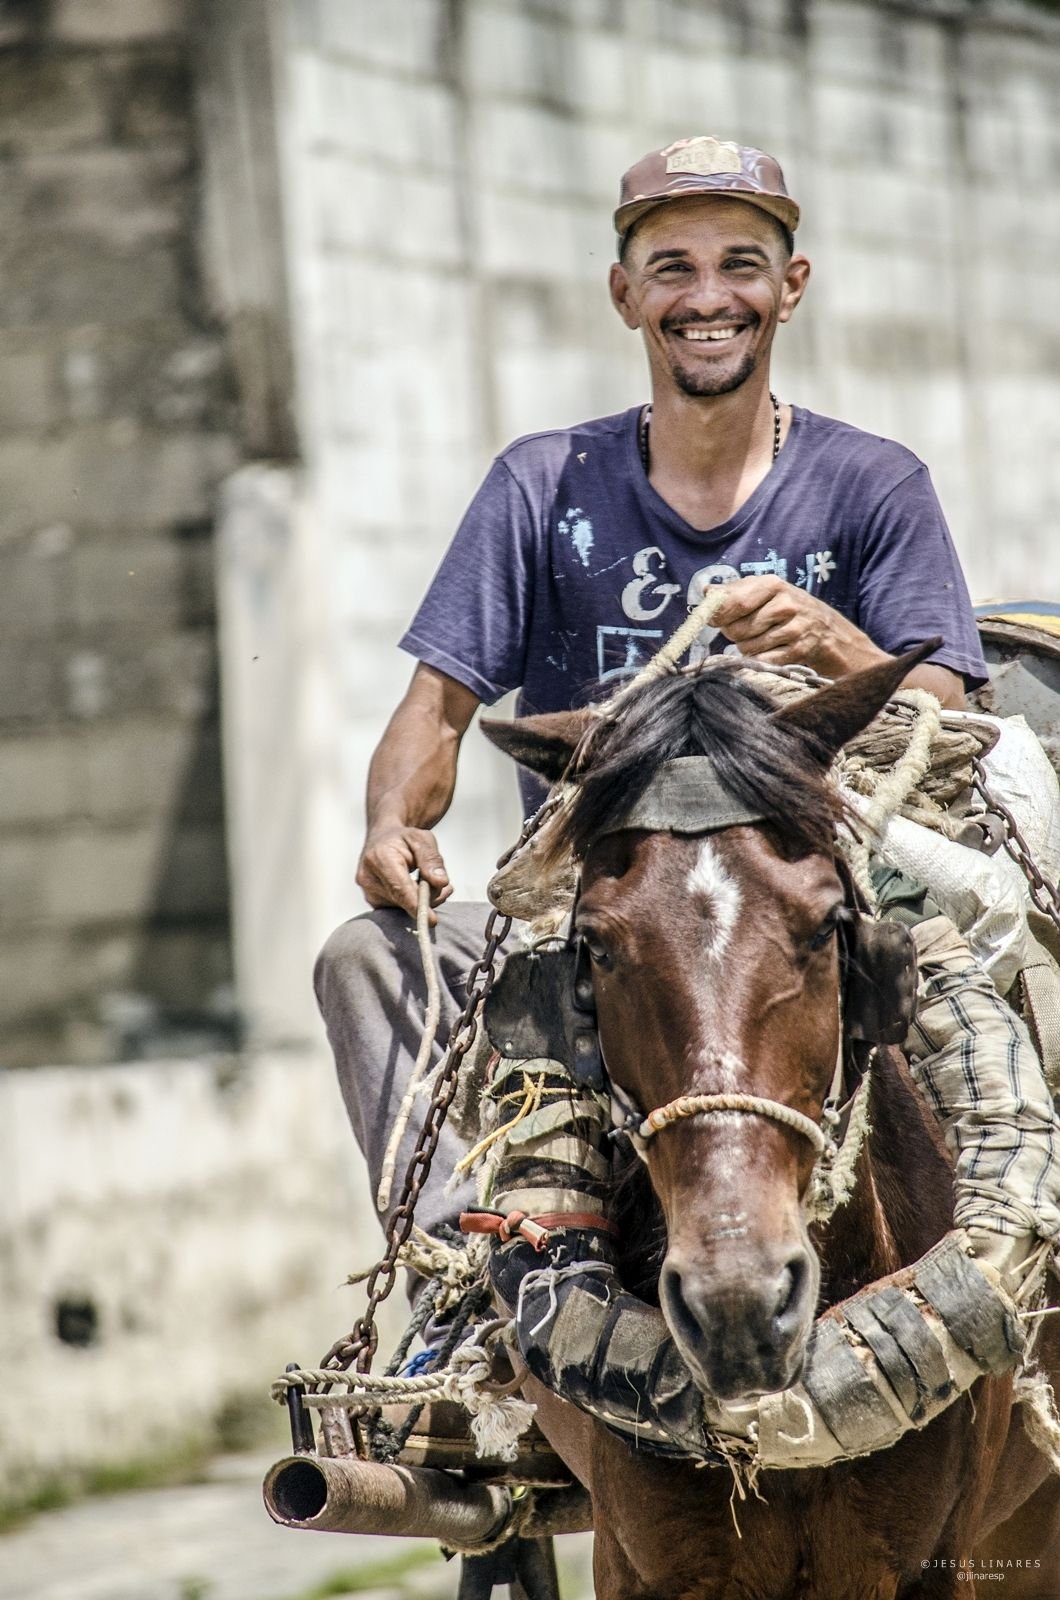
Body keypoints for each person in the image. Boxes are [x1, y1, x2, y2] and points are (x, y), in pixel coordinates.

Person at [315, 136, 1058, 1282]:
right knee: (363, 959)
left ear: (789, 288)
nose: (707, 297)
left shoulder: (872, 484)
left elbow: (944, 722)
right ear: (625, 295)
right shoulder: (542, 485)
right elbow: (434, 707)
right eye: (671, 267)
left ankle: (1020, 1256)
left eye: (739, 264)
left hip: (806, 913)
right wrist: (388, 825)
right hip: (600, 927)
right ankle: (468, 1283)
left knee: (1007, 978)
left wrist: (832, 643)